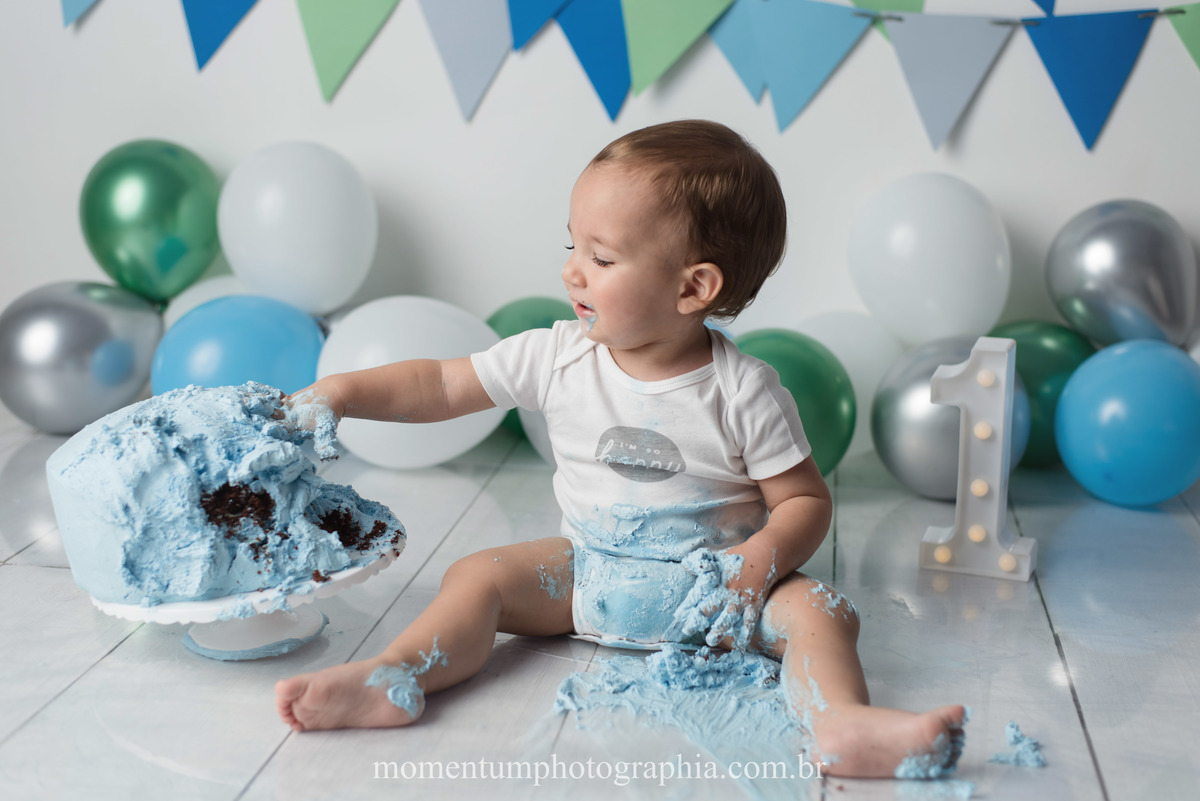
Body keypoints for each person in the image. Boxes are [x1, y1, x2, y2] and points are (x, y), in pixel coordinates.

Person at [275, 120, 966, 778]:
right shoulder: (554, 355)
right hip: (584, 575)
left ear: (694, 286)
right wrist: (341, 391)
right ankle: (396, 673)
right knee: (477, 574)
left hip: (716, 595)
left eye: (601, 257)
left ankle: (840, 722)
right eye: (571, 246)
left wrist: (759, 561)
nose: (574, 271)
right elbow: (439, 383)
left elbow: (805, 500)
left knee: (822, 611)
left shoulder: (742, 390)